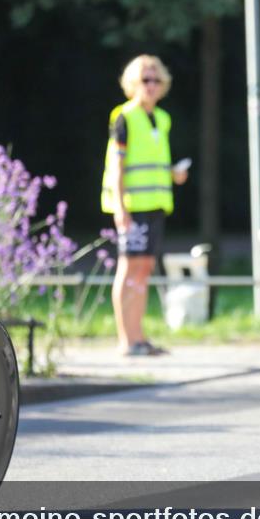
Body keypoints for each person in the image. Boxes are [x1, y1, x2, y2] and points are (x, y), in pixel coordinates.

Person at [101, 55, 188, 356]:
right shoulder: (124, 116)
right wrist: (121, 207)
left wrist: (172, 174)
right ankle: (126, 340)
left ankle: (139, 337)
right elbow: (117, 164)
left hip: (156, 204)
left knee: (145, 268)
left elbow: (150, 160)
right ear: (132, 84)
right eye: (144, 80)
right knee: (129, 268)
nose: (151, 85)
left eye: (156, 80)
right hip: (132, 205)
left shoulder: (162, 119)